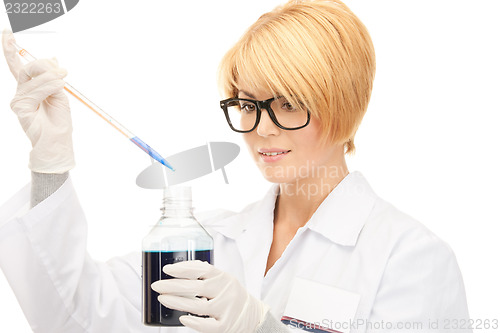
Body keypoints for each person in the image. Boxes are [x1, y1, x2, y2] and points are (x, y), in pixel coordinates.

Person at [0, 0, 471, 332]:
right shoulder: (209, 242)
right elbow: (74, 316)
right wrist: (51, 162)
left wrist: (262, 329)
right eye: (246, 103)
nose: (260, 129)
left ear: (344, 104)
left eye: (287, 103)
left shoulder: (410, 258)